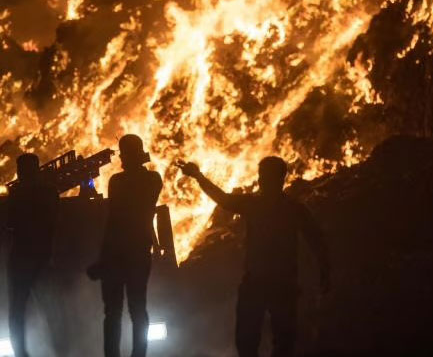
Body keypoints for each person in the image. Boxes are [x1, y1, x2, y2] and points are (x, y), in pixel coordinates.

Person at [179, 157, 330, 357]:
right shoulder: (293, 209)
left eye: (264, 177)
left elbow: (224, 200)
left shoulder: (256, 204)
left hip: (264, 283)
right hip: (278, 283)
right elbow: (316, 239)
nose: (260, 181)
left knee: (254, 340)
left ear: (273, 179)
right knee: (277, 341)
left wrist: (198, 176)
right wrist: (325, 270)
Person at [88, 134, 163, 357]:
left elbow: (114, 221)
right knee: (137, 308)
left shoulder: (119, 182)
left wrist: (103, 259)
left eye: (124, 152)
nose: (121, 157)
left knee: (113, 312)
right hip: (139, 252)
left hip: (118, 255)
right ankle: (138, 354)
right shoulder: (153, 179)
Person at [6, 153, 59, 357]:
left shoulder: (17, 193)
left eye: (20, 170)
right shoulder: (51, 192)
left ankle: (21, 353)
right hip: (43, 256)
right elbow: (54, 222)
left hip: (22, 257)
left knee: (18, 311)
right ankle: (60, 349)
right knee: (52, 309)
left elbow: (10, 223)